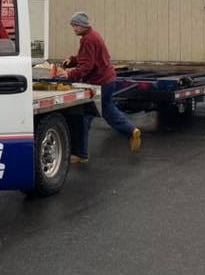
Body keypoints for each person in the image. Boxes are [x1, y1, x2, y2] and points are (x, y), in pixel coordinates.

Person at [55, 12, 141, 163]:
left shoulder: (88, 40)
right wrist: (73, 60)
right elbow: (88, 59)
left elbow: (87, 66)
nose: (73, 29)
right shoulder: (93, 36)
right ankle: (131, 131)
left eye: (75, 26)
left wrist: (68, 75)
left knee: (84, 115)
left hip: (98, 82)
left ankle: (80, 154)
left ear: (82, 26)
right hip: (107, 80)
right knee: (108, 110)